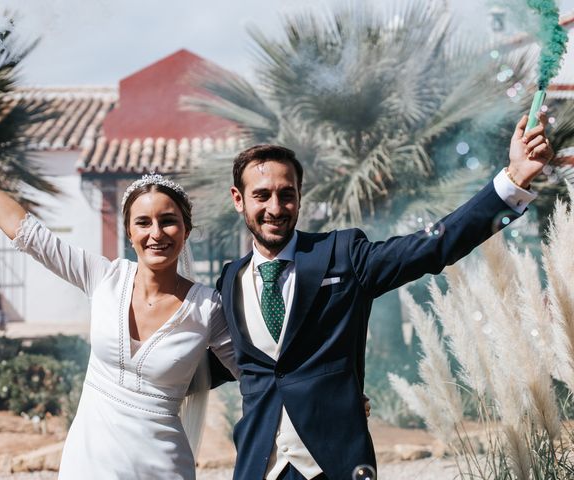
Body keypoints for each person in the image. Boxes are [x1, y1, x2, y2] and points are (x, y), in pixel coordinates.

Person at [215, 113, 554, 479]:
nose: (276, 208)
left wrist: (513, 180)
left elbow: (431, 246)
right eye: (261, 196)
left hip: (334, 465)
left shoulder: (343, 254)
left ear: (300, 195)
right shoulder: (229, 279)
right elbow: (208, 363)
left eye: (287, 194)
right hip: (256, 468)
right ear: (239, 199)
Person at [0, 137, 239, 480]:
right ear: (128, 231)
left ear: (186, 230)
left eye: (168, 220)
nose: (157, 233)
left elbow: (257, 375)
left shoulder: (208, 308)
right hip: (89, 464)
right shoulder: (104, 277)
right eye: (143, 222)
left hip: (164, 468)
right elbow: (29, 235)